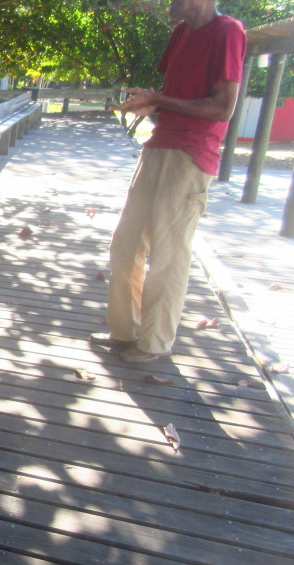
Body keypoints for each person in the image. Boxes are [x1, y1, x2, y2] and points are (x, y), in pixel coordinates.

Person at [92, 0, 245, 363]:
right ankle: (124, 331)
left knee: (169, 252)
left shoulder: (228, 32)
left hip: (192, 154)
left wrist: (161, 99)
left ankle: (154, 342)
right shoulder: (181, 33)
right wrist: (152, 103)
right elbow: (175, 94)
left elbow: (223, 107)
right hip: (159, 145)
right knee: (126, 244)